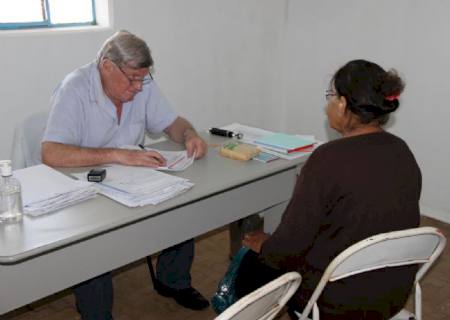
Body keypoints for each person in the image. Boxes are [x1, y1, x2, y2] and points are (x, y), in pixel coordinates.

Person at [233, 59, 421, 319]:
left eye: (331, 96)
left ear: (343, 104)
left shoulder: (327, 159)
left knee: (249, 268)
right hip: (391, 293)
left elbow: (289, 245)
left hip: (334, 302)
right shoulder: (401, 150)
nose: (327, 104)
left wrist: (265, 245)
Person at [41, 30, 209, 319]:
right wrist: (117, 154)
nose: (138, 87)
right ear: (107, 66)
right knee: (92, 242)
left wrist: (190, 134)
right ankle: (97, 314)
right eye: (132, 79)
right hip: (85, 184)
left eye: (142, 79)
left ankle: (173, 281)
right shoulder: (75, 88)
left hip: (131, 178)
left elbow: (172, 124)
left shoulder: (141, 83)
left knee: (181, 202)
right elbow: (51, 153)